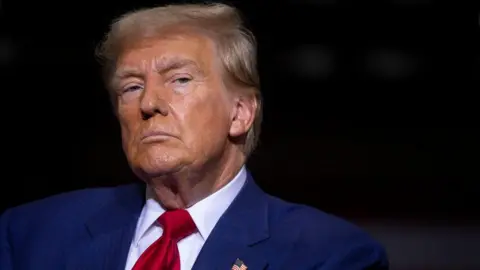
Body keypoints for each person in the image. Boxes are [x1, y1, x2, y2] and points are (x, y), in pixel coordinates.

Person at [0, 3, 388, 270]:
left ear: (240, 113)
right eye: (131, 87)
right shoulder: (30, 234)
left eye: (180, 80)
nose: (149, 103)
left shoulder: (327, 255)